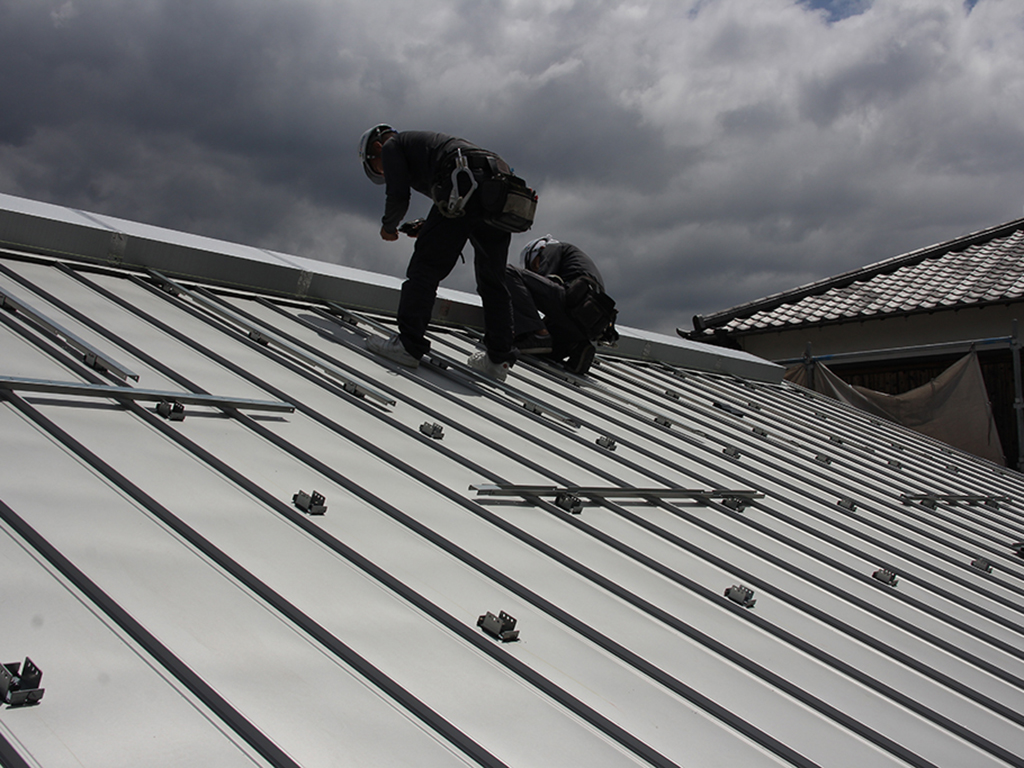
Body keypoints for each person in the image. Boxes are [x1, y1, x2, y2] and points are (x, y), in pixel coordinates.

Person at [357, 124, 521, 381]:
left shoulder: (392, 146)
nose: (384, 173)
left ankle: (408, 346)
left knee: (425, 267)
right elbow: (456, 207)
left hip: (467, 185)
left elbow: (398, 196)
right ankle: (498, 360)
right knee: (493, 278)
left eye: (378, 169)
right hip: (497, 189)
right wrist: (427, 227)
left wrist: (388, 226)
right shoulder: (426, 147)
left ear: (376, 149)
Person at [506, 235, 616, 375]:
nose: (535, 271)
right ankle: (576, 346)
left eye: (533, 265)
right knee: (542, 352)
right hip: (586, 323)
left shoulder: (552, 248)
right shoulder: (575, 266)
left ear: (537, 251)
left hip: (574, 302)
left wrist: (529, 327)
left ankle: (538, 335)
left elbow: (543, 282)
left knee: (507, 272)